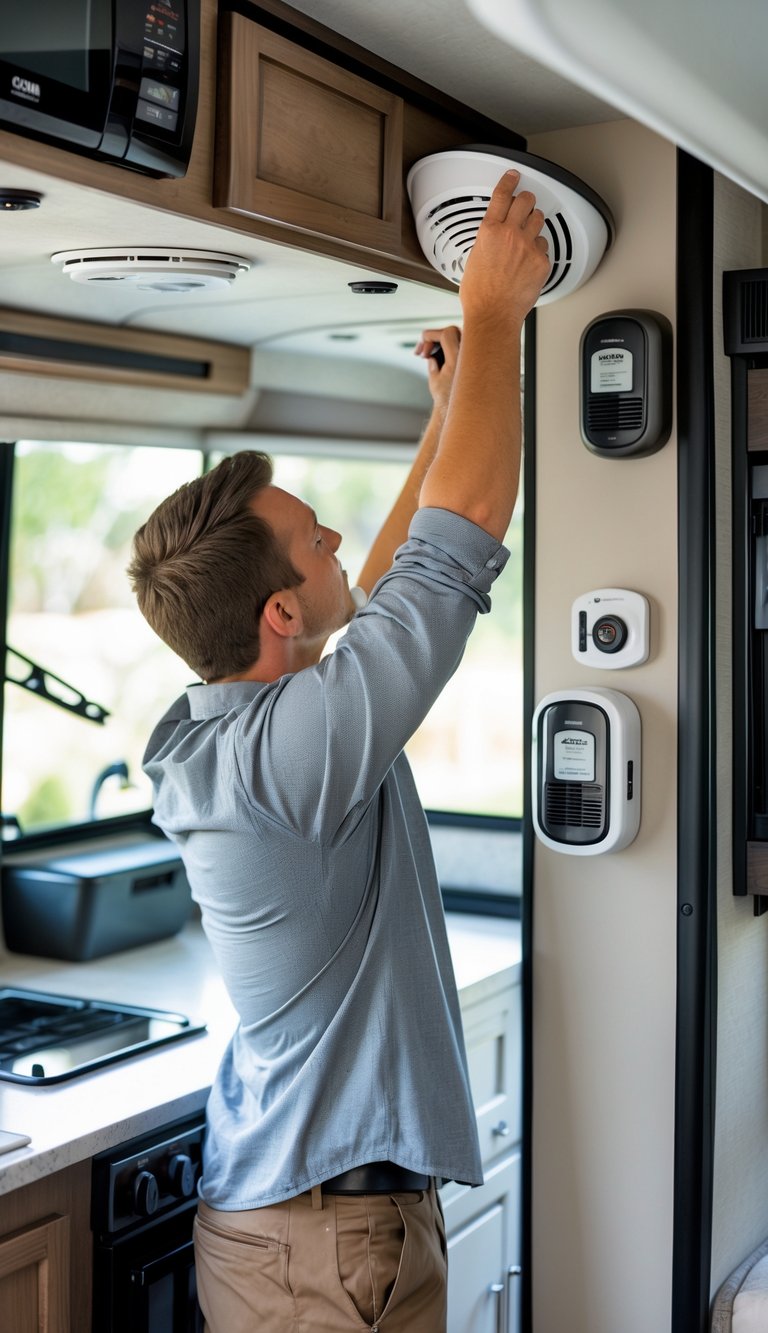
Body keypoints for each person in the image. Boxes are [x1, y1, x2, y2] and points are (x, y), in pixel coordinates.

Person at [128, 169, 549, 1333]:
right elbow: (445, 561)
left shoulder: (240, 726)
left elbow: (380, 579)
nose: (333, 538)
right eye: (312, 538)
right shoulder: (287, 761)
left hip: (314, 1231)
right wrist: (494, 317)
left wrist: (447, 408)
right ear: (275, 616)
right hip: (322, 1249)